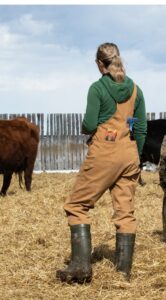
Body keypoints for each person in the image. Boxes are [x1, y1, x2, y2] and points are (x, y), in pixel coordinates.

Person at [56, 42, 147, 283]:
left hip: (105, 152)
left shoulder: (97, 89)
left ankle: (80, 268)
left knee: (76, 205)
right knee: (125, 213)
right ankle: (123, 274)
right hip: (129, 155)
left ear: (100, 64)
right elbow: (140, 128)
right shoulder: (136, 90)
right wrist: (135, 158)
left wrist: (93, 127)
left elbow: (88, 123)